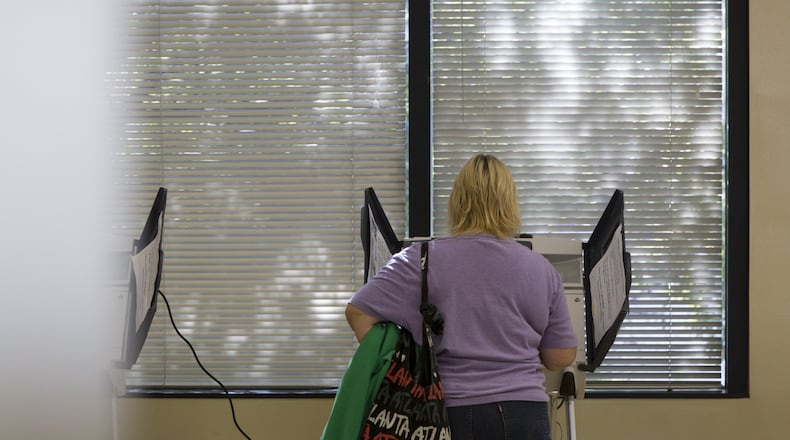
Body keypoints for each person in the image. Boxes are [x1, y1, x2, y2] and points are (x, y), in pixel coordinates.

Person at [346, 153, 577, 440]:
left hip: (447, 410)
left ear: (457, 201)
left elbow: (358, 313)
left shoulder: (419, 260)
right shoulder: (542, 269)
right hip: (524, 412)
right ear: (511, 203)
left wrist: (400, 362)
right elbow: (560, 356)